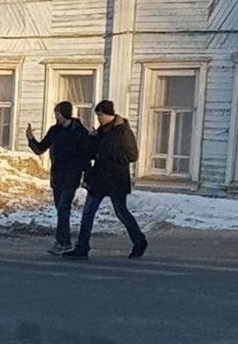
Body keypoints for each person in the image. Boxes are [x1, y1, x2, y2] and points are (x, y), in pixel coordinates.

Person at [63, 100, 148, 260]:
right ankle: (82, 247)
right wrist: (89, 143)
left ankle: (139, 241)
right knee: (88, 212)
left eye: (100, 115)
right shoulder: (101, 131)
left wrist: (108, 153)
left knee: (121, 212)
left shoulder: (123, 131)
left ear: (108, 115)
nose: (98, 118)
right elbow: (94, 151)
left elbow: (132, 155)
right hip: (99, 179)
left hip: (116, 179)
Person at [26, 101, 90, 255]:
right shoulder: (55, 130)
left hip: (72, 175)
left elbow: (85, 156)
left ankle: (63, 242)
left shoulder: (79, 131)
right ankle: (64, 241)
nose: (56, 116)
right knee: (61, 210)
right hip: (57, 176)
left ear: (65, 113)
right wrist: (30, 139)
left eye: (58, 113)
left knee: (63, 207)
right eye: (55, 113)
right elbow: (40, 149)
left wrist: (86, 176)